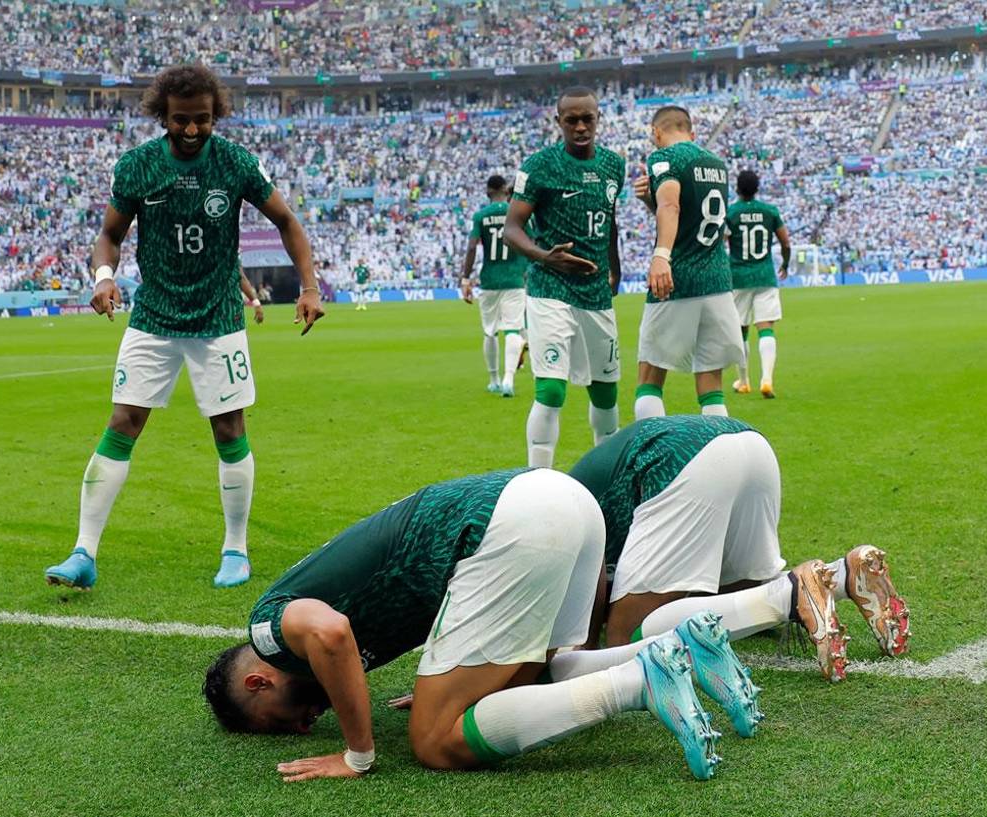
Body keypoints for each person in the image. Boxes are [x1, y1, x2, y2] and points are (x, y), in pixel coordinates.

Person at [204, 468, 760, 782]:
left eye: (279, 723)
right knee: (531, 677)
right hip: (560, 499)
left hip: (513, 523)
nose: (303, 728)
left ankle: (640, 683)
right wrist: (447, 680)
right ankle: (681, 645)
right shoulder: (303, 620)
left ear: (258, 682)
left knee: (434, 741)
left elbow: (329, 636)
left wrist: (357, 754)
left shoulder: (267, 632)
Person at [44, 64, 324, 592]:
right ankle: (83, 552)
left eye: (202, 119)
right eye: (180, 120)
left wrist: (309, 286)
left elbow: (287, 221)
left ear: (215, 114)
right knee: (123, 422)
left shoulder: (236, 163)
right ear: (162, 116)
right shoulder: (138, 166)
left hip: (218, 319)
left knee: (229, 429)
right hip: (154, 316)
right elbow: (109, 236)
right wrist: (104, 277)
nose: (192, 130)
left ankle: (235, 550)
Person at [568, 417, 911, 682]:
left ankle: (792, 594)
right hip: (748, 444)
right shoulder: (560, 492)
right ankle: (844, 575)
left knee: (627, 638)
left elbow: (588, 581)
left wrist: (582, 645)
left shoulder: (557, 518)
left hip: (681, 460)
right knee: (739, 592)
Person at [504, 87, 625, 467]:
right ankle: (538, 480)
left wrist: (615, 268)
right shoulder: (539, 166)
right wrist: (546, 258)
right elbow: (512, 228)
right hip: (550, 288)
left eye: (587, 118)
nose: (580, 126)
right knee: (552, 390)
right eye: (571, 120)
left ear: (598, 118)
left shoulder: (614, 165)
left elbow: (610, 221)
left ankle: (606, 477)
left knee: (605, 393)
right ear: (558, 122)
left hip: (596, 293)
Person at [633, 106, 743, 419]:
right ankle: (719, 448)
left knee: (650, 378)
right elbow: (688, 214)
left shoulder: (664, 158)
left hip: (677, 278)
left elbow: (670, 207)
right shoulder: (717, 164)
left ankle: (653, 448)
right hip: (717, 280)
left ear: (656, 133)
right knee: (711, 385)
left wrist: (661, 256)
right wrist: (649, 199)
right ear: (692, 133)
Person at [725, 170, 791, 398]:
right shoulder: (769, 211)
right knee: (766, 328)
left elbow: (721, 242)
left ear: (737, 189)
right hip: (765, 276)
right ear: (757, 188)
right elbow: (785, 243)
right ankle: (767, 379)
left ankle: (744, 381)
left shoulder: (731, 213)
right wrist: (785, 263)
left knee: (740, 330)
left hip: (738, 277)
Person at [461, 174, 528, 397]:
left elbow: (472, 247)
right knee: (513, 328)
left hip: (489, 280)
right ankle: (509, 379)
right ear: (506, 191)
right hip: (514, 279)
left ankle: (494, 380)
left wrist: (465, 278)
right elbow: (530, 242)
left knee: (490, 331)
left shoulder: (481, 216)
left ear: (488, 192)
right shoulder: (517, 213)